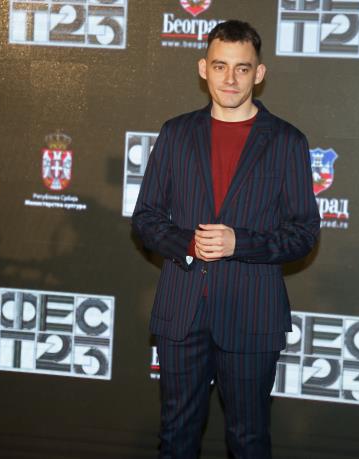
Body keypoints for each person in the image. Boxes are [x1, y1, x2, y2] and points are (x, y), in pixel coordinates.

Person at [132, 19, 320, 459]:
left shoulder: (287, 141)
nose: (230, 78)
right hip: (182, 313)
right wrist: (189, 244)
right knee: (176, 438)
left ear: (259, 73)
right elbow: (145, 218)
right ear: (203, 69)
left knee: (249, 440)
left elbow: (303, 233)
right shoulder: (176, 133)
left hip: (252, 314)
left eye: (242, 68)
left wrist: (241, 244)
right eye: (220, 66)